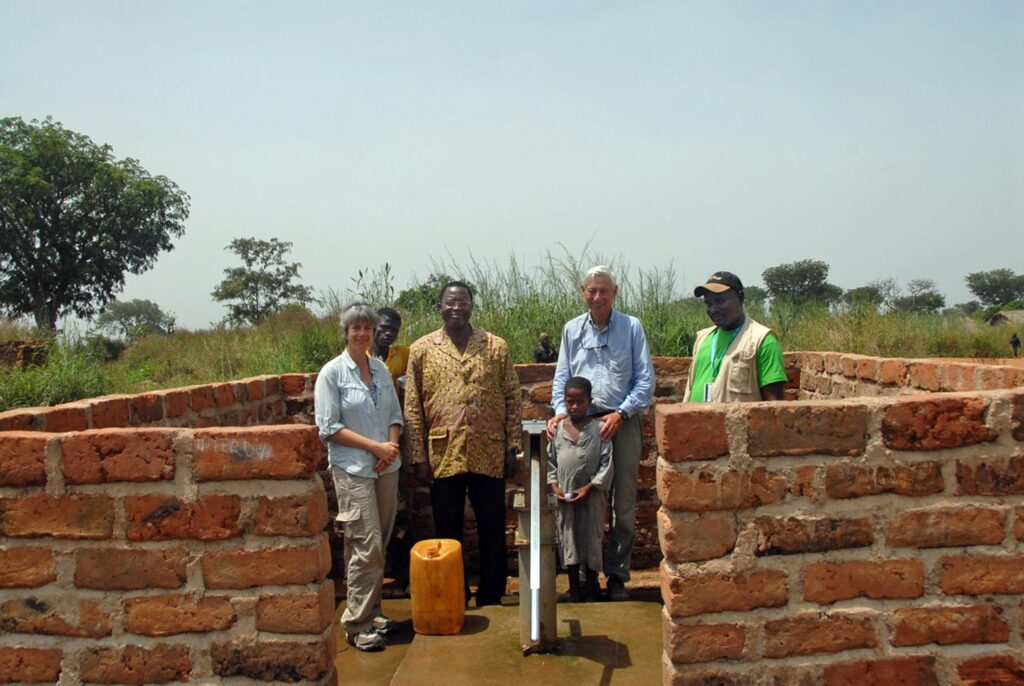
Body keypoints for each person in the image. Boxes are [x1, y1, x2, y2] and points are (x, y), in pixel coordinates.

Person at [404, 280, 523, 607]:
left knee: (492, 526)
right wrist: (418, 456)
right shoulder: (422, 349)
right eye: (450, 302)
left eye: (463, 302)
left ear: (472, 306)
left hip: (489, 449)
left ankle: (491, 594)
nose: (457, 307)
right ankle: (454, 593)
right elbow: (413, 407)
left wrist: (513, 446)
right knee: (447, 529)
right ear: (440, 307)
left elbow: (513, 396)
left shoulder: (495, 347)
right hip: (444, 453)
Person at [548, 265, 654, 602]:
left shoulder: (631, 327)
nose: (597, 297)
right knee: (581, 501)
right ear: (583, 292)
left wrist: (622, 414)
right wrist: (560, 413)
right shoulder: (572, 330)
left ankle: (618, 575)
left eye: (603, 291)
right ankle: (581, 575)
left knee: (622, 504)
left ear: (615, 293)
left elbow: (645, 380)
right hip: (582, 425)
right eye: (591, 291)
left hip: (620, 423)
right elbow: (562, 377)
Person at [314, 303, 403, 652]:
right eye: (356, 329)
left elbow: (396, 414)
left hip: (386, 468)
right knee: (365, 544)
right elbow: (329, 427)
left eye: (367, 328)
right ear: (346, 333)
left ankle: (374, 611)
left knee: (378, 543)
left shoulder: (379, 369)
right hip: (354, 469)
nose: (363, 334)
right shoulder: (332, 373)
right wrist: (375, 448)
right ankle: (357, 623)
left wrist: (391, 447)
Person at [548, 376, 613, 603]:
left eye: (580, 402)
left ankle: (592, 586)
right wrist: (555, 487)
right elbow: (551, 462)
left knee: (591, 536)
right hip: (565, 495)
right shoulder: (557, 430)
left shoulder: (600, 429)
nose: (574, 407)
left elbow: (607, 463)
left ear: (589, 402)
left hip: (592, 495)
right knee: (568, 536)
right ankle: (574, 588)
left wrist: (589, 487)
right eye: (570, 402)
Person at [683, 271, 787, 403]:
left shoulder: (762, 340)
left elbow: (774, 406)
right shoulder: (703, 338)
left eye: (720, 301)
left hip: (735, 424)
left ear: (740, 298)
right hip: (693, 422)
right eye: (708, 303)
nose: (714, 309)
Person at [371, 307, 410, 393]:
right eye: (384, 327)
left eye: (394, 330)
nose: (389, 333)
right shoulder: (361, 356)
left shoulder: (402, 354)